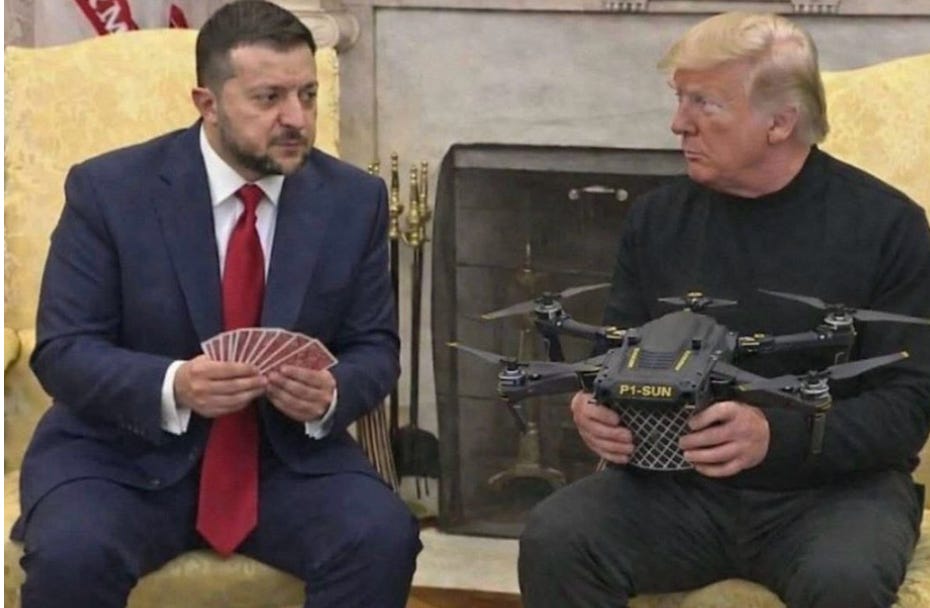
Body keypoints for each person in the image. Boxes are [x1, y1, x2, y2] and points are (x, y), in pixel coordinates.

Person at [11, 2, 421, 607]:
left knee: (382, 537)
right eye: (269, 98)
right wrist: (174, 385)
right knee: (73, 552)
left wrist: (331, 393)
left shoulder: (353, 200)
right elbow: (64, 351)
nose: (296, 118)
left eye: (307, 95)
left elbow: (374, 348)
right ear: (208, 103)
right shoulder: (110, 191)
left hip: (285, 460)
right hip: (121, 456)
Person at [518, 11, 930, 608]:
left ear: (779, 122)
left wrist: (773, 437)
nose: (678, 123)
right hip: (677, 488)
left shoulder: (888, 226)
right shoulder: (658, 219)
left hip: (834, 494)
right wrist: (594, 405)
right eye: (679, 98)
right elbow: (610, 354)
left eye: (704, 103)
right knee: (557, 537)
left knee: (844, 580)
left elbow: (907, 408)